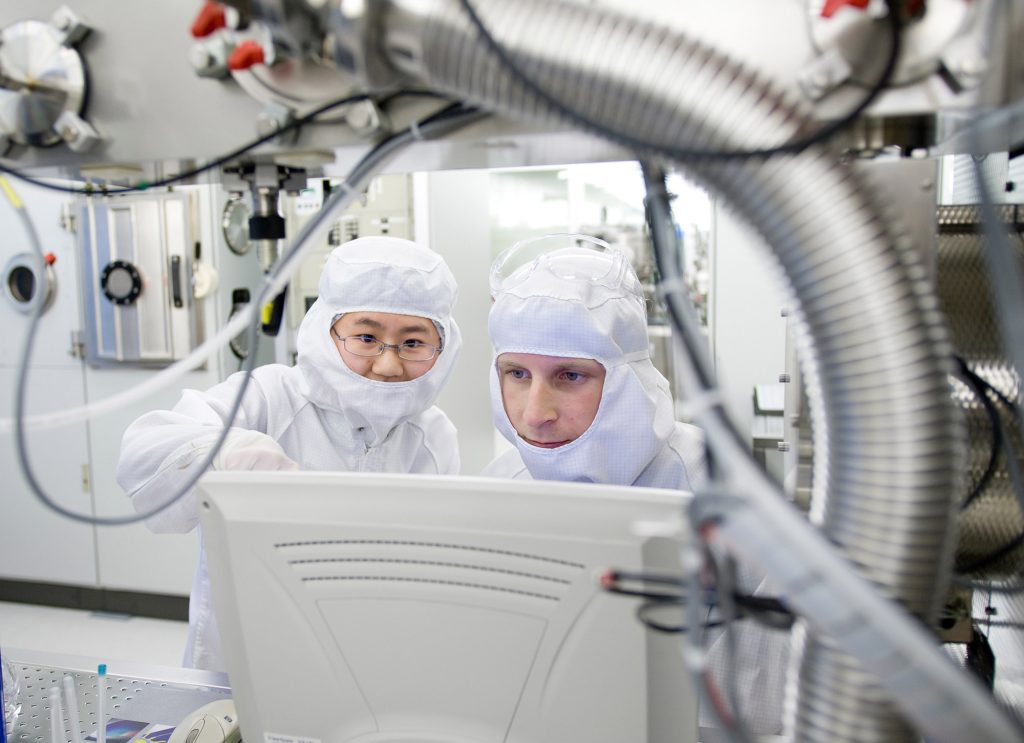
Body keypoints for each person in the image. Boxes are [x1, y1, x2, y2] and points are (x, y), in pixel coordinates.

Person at [116, 235, 462, 671]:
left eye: (413, 343)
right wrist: (223, 452)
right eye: (365, 337)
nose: (388, 365)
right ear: (326, 330)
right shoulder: (269, 396)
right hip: (251, 656)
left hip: (377, 658)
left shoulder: (432, 436)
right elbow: (141, 458)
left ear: (443, 346)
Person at [482, 235, 706, 489]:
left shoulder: (706, 482)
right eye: (518, 374)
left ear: (630, 379)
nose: (535, 415)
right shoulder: (500, 484)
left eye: (570, 375)